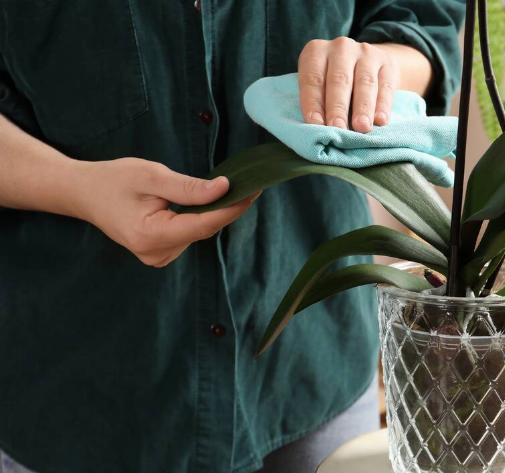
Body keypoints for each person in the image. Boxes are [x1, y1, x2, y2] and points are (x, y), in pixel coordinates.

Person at [0, 2, 464, 472]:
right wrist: (74, 186)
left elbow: (421, 19)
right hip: (72, 386)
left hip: (314, 371)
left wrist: (376, 69)